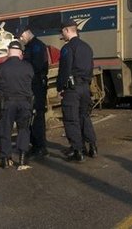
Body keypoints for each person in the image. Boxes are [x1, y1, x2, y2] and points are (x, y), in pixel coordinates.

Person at [0, 40, 34, 169]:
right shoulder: (28, 67)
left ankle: (5, 160)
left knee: (5, 130)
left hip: (7, 103)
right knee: (23, 129)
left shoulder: (0, 68)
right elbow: (33, 81)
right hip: (25, 102)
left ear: (8, 51)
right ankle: (23, 160)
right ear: (20, 53)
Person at [56, 19, 98, 162]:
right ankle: (92, 146)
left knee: (71, 119)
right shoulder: (87, 47)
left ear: (67, 30)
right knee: (84, 117)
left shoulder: (67, 48)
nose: (62, 35)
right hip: (85, 88)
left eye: (62, 32)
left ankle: (77, 151)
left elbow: (64, 70)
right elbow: (91, 68)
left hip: (72, 89)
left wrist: (60, 87)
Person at [17, 25, 49, 157]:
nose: (20, 38)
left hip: (36, 86)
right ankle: (36, 145)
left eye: (21, 35)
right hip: (33, 85)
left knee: (37, 116)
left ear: (27, 32)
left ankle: (40, 147)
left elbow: (36, 67)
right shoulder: (31, 46)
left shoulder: (36, 46)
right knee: (33, 116)